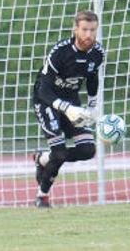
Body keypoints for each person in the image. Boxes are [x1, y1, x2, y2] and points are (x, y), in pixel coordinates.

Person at [32, 11, 105, 208]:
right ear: (75, 29)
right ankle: (42, 196)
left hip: (71, 102)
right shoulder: (60, 52)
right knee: (60, 152)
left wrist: (91, 105)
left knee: (88, 149)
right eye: (84, 29)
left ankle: (43, 159)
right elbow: (44, 88)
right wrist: (64, 107)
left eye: (92, 30)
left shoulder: (98, 53)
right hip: (46, 101)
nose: (88, 34)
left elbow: (92, 78)